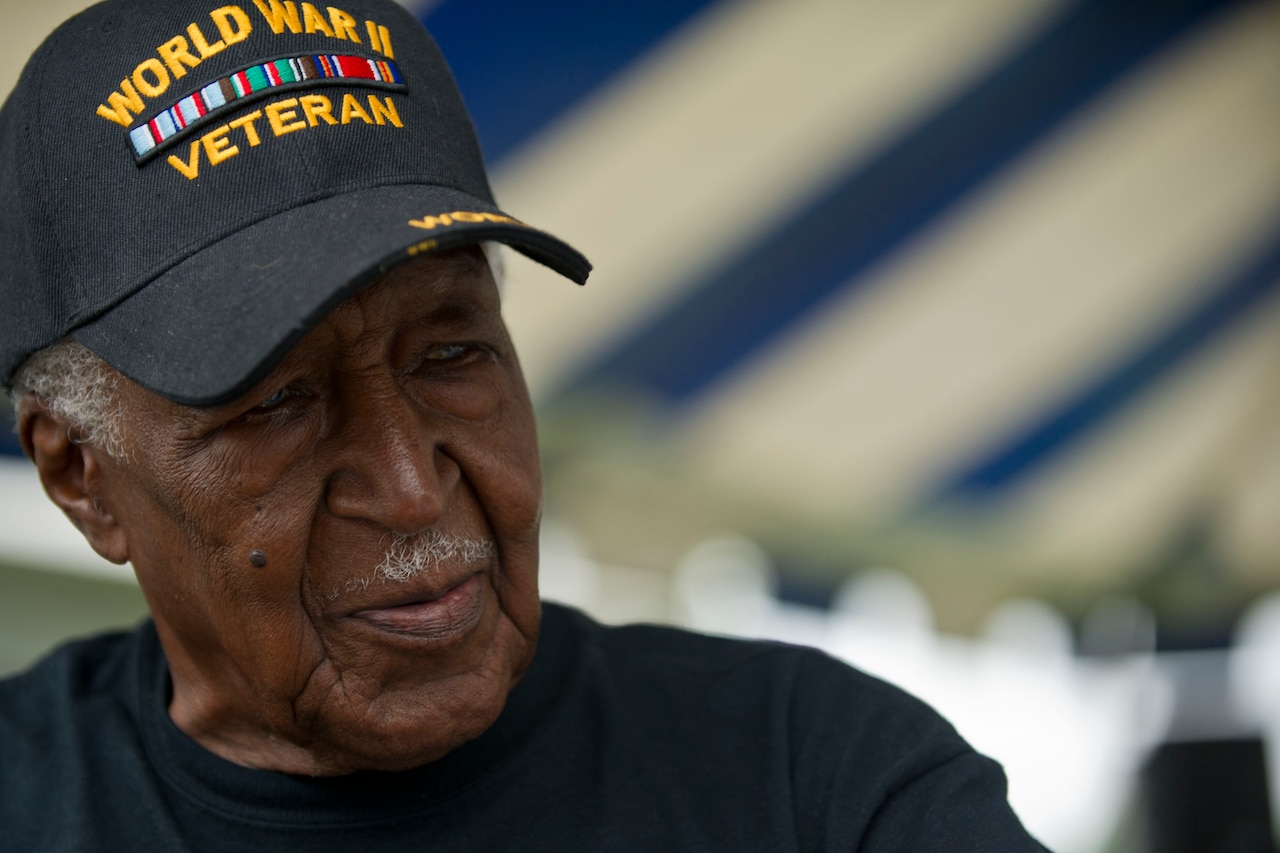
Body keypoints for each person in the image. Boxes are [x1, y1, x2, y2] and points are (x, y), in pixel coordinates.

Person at [0, 0, 1047, 849]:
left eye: (451, 355)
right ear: (80, 475)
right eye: (276, 401)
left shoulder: (815, 777)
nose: (411, 485)